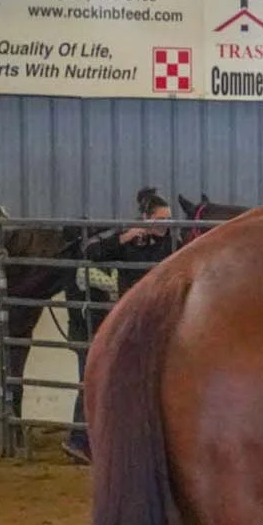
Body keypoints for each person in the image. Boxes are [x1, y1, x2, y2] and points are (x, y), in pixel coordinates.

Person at [63, 189, 179, 464]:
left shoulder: (172, 243)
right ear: (146, 219)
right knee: (106, 378)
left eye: (168, 220)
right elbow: (91, 252)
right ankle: (81, 438)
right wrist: (124, 237)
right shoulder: (129, 240)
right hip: (129, 319)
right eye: (161, 219)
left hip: (153, 318)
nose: (166, 225)